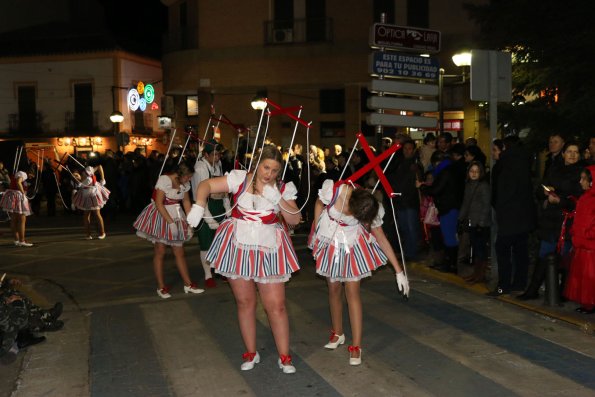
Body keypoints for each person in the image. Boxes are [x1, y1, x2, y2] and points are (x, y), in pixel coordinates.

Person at [188, 145, 302, 373]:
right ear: (257, 163)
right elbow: (206, 185)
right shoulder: (240, 179)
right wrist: (199, 205)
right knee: (245, 302)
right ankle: (251, 352)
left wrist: (277, 198)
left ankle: (284, 356)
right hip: (238, 244)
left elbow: (295, 220)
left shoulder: (281, 188)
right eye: (266, 167)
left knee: (276, 306)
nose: (269, 174)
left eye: (275, 170)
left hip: (269, 246)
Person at [309, 179, 409, 366]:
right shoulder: (334, 191)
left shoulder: (367, 205)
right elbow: (318, 202)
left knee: (352, 292)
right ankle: (338, 333)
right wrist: (316, 228)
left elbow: (380, 237)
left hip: (352, 244)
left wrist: (399, 271)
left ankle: (356, 345)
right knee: (333, 289)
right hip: (330, 240)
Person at [517, 142, 583, 300]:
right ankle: (532, 290)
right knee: (544, 254)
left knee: (565, 257)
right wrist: (546, 193)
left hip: (568, 222)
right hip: (550, 220)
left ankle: (563, 293)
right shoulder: (554, 168)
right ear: (563, 154)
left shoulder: (582, 173)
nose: (572, 155)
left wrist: (559, 200)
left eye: (575, 152)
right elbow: (540, 188)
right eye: (569, 151)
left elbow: (578, 199)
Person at [134, 161, 204, 298]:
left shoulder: (184, 183)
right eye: (188, 176)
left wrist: (190, 223)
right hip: (162, 215)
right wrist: (170, 223)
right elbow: (159, 203)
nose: (189, 179)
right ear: (180, 174)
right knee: (160, 251)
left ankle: (188, 284)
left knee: (180, 252)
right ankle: (161, 287)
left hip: (177, 215)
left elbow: (186, 202)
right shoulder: (164, 180)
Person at [490, 136, 536, 296]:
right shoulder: (524, 161)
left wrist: (500, 210)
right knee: (520, 250)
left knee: (502, 249)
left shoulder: (505, 163)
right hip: (524, 216)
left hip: (509, 215)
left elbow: (503, 192)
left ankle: (503, 285)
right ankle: (519, 283)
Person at [416, 151, 464, 273]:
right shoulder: (452, 169)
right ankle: (449, 263)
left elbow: (436, 189)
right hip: (451, 206)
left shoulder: (445, 172)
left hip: (448, 207)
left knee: (449, 237)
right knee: (449, 236)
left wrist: (422, 187)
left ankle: (451, 265)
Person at [191, 139, 229, 289]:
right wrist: (208, 218)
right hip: (205, 206)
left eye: (219, 154)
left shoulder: (218, 165)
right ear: (206, 154)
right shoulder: (200, 169)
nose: (218, 157)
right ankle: (208, 274)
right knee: (206, 243)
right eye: (214, 154)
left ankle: (220, 269)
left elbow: (224, 188)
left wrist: (227, 208)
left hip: (219, 205)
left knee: (221, 241)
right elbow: (199, 194)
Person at [564, 166, 595, 314]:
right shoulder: (584, 197)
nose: (580, 181)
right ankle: (587, 304)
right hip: (582, 244)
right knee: (583, 277)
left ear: (591, 182)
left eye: (584, 179)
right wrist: (574, 231)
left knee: (590, 277)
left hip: (590, 246)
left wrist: (586, 234)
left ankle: (591, 303)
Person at [458, 162, 491, 284]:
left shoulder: (483, 186)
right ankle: (476, 273)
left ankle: (480, 275)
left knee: (481, 249)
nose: (474, 174)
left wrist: (481, 223)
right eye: (472, 171)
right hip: (472, 221)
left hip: (481, 224)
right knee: (476, 249)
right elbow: (466, 204)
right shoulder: (468, 185)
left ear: (481, 173)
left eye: (476, 171)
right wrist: (460, 219)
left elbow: (486, 205)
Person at [72, 165, 109, 239]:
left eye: (76, 174)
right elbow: (78, 186)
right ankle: (88, 235)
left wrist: (102, 179)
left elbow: (99, 166)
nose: (76, 176)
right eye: (74, 176)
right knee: (86, 215)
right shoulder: (77, 180)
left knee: (97, 213)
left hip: (94, 193)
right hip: (85, 195)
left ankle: (102, 233)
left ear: (79, 172)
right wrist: (76, 179)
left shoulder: (88, 170)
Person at [0, 169, 33, 246]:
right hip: (18, 196)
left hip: (12, 196)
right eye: (32, 175)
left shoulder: (16, 173)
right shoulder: (23, 173)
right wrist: (23, 193)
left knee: (14, 219)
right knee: (22, 219)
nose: (31, 177)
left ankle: (16, 240)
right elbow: (18, 182)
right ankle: (22, 241)